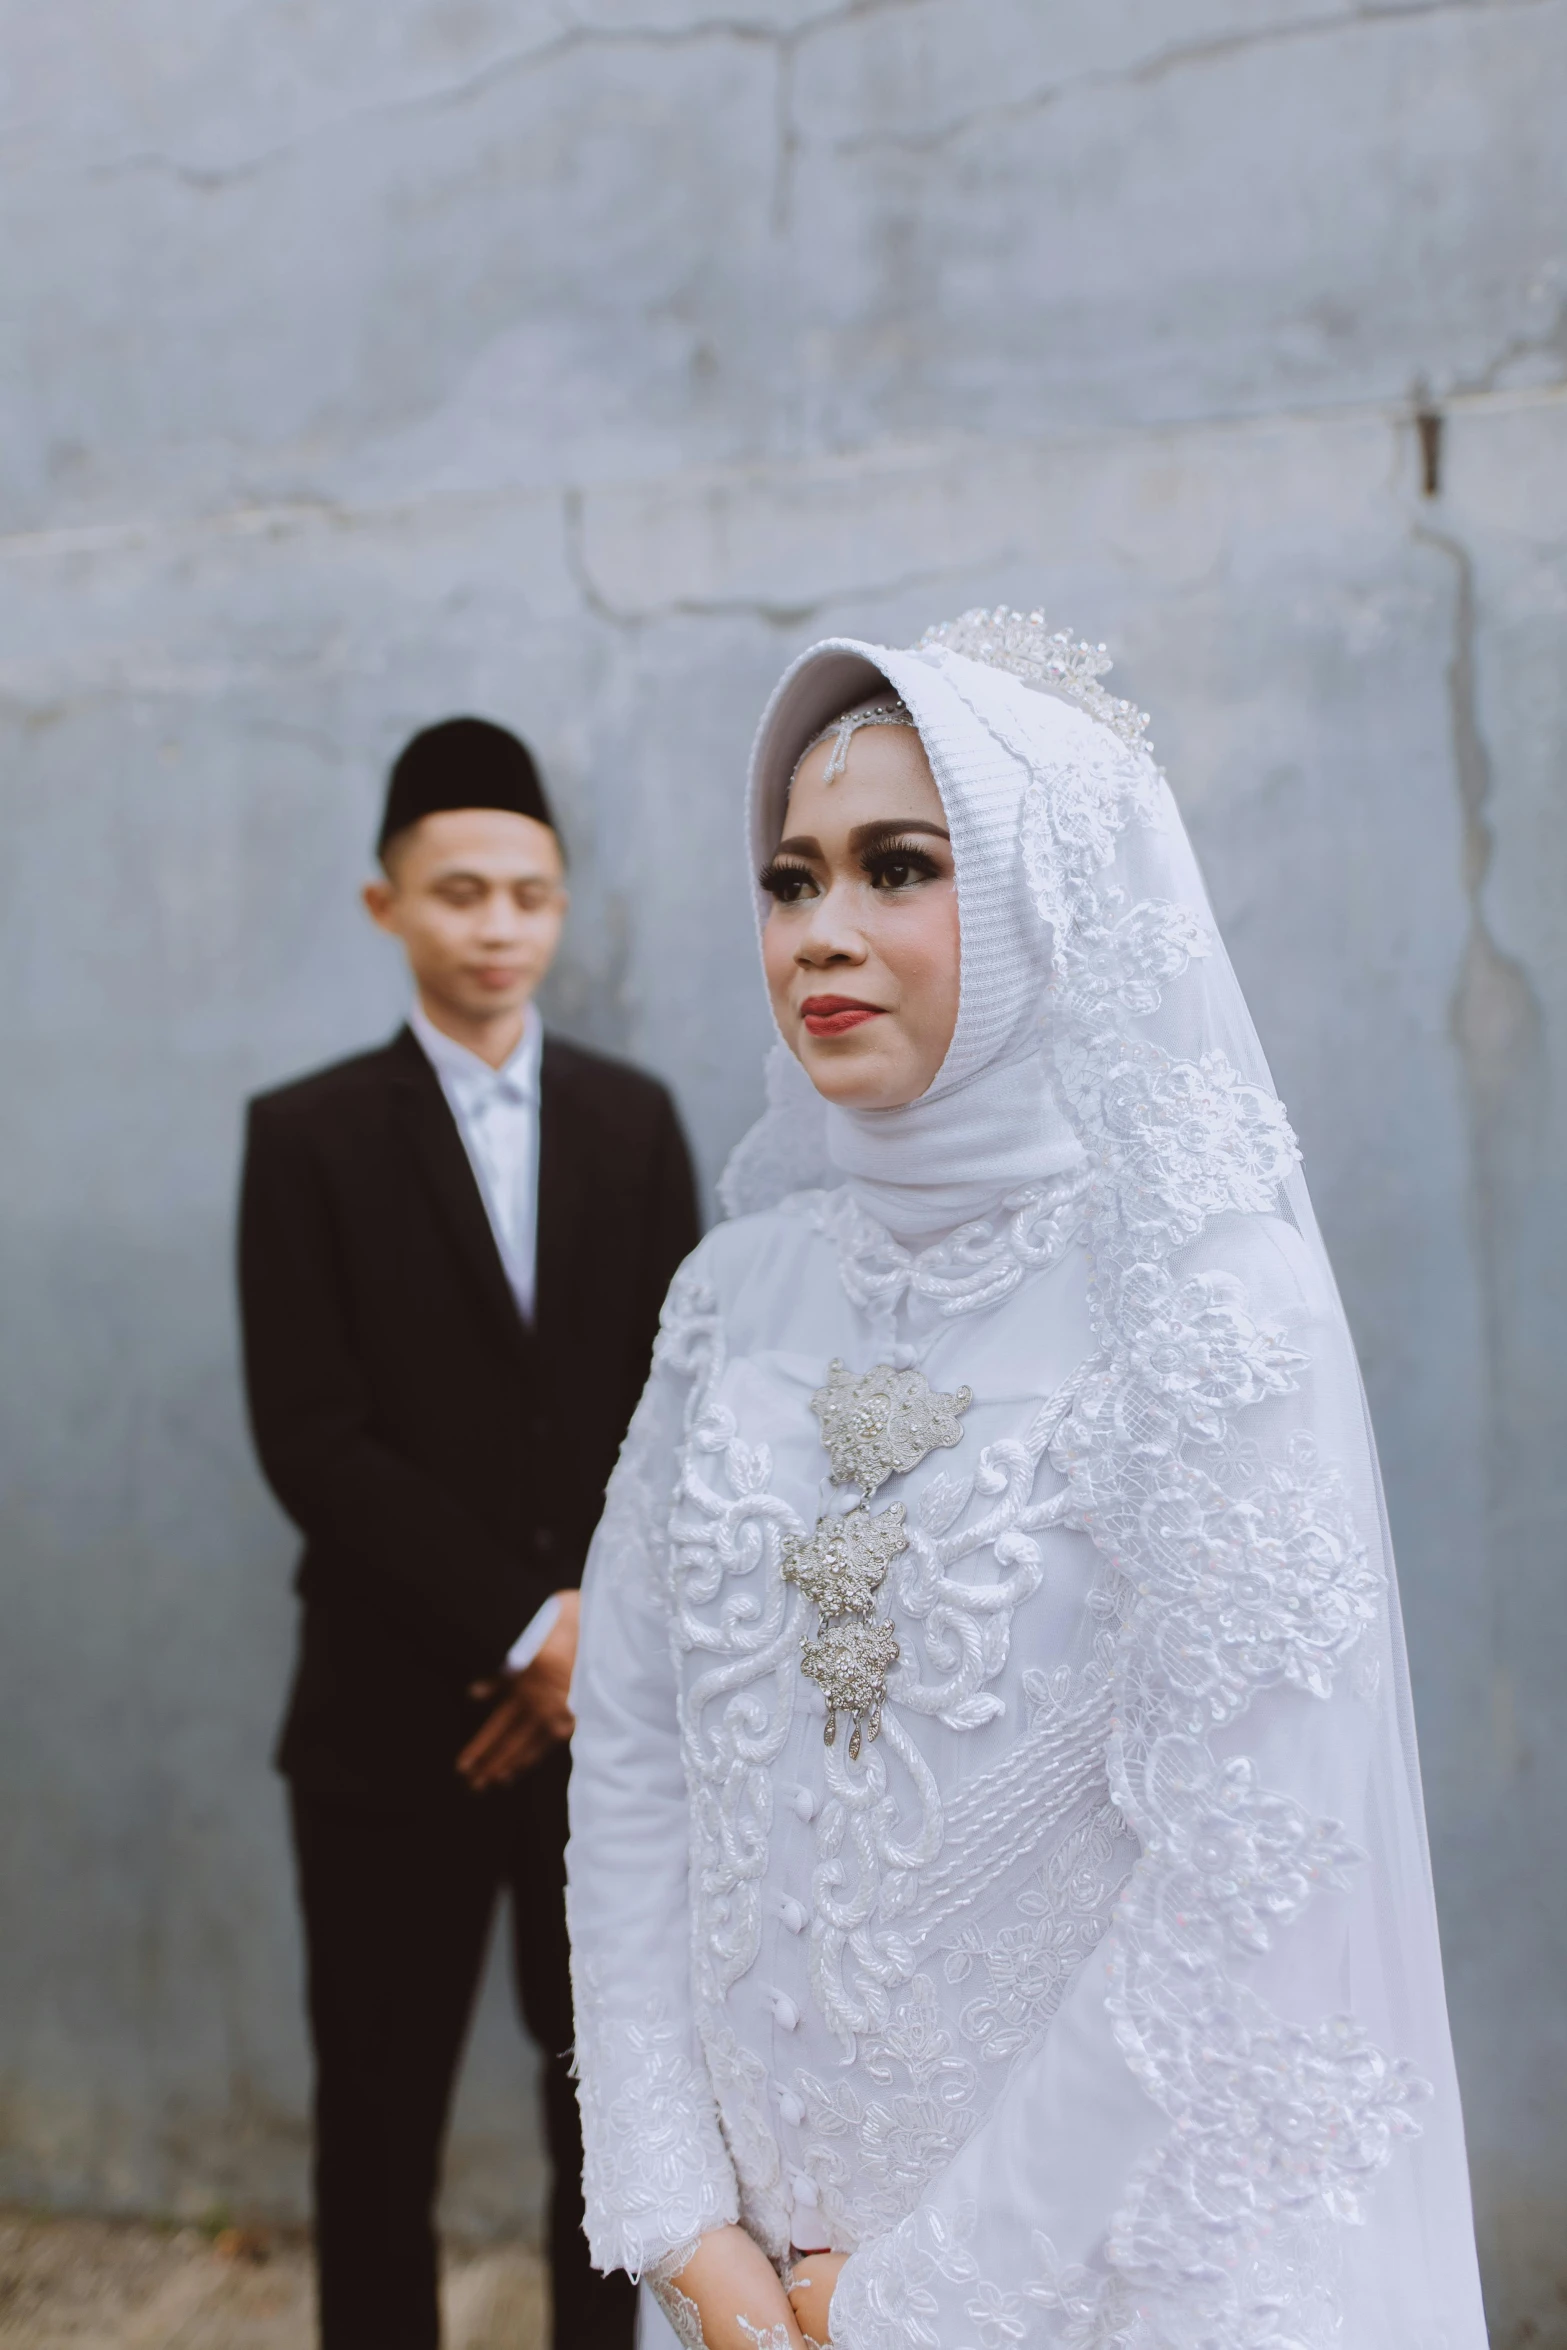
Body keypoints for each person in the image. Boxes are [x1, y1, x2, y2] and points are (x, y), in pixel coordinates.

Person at [563, 616, 1488, 2349]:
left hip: (1089, 2285)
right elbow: (631, 1747)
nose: (820, 931)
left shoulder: (1205, 1301)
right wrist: (676, 2211)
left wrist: (921, 2295)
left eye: (895, 866)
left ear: (1044, 897)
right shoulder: (730, 1295)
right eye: (788, 878)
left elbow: (1242, 1860)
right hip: (747, 2288)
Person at [238, 716, 698, 2350]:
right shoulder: (303, 1138)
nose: (496, 924)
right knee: (377, 2123)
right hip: (385, 1734)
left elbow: (680, 1410)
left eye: (528, 891)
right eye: (458, 891)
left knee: (611, 2122)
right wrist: (528, 1629)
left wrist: (589, 1646)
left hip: (607, 1738)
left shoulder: (636, 1124)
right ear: (387, 907)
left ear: (562, 905)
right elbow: (312, 1437)